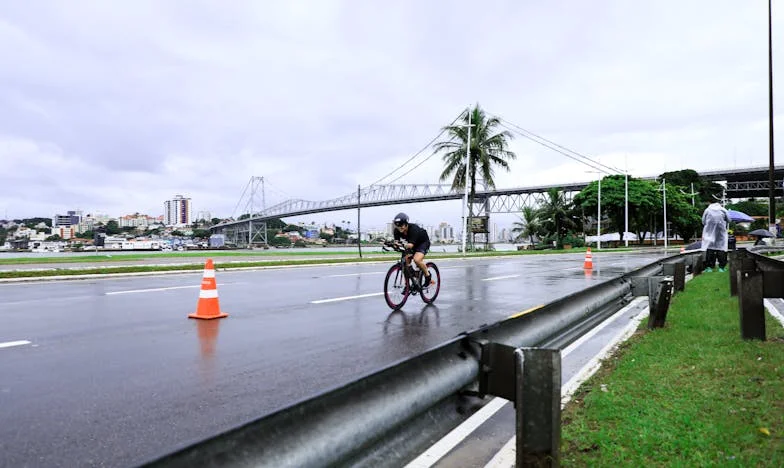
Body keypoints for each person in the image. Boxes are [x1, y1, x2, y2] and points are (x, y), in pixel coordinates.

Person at [392, 212, 433, 287]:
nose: (400, 227)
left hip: (422, 243)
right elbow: (396, 242)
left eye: (401, 225)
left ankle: (428, 276)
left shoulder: (413, 229)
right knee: (404, 263)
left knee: (417, 260)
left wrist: (401, 245)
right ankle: (407, 285)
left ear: (406, 223)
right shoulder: (396, 231)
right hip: (411, 244)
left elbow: (410, 245)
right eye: (397, 225)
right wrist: (393, 244)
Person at [701, 202, 730, 272]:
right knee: (721, 249)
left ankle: (709, 267)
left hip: (709, 232)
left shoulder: (707, 210)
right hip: (721, 233)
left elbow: (703, 221)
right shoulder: (723, 210)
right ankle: (721, 267)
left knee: (710, 249)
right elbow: (729, 220)